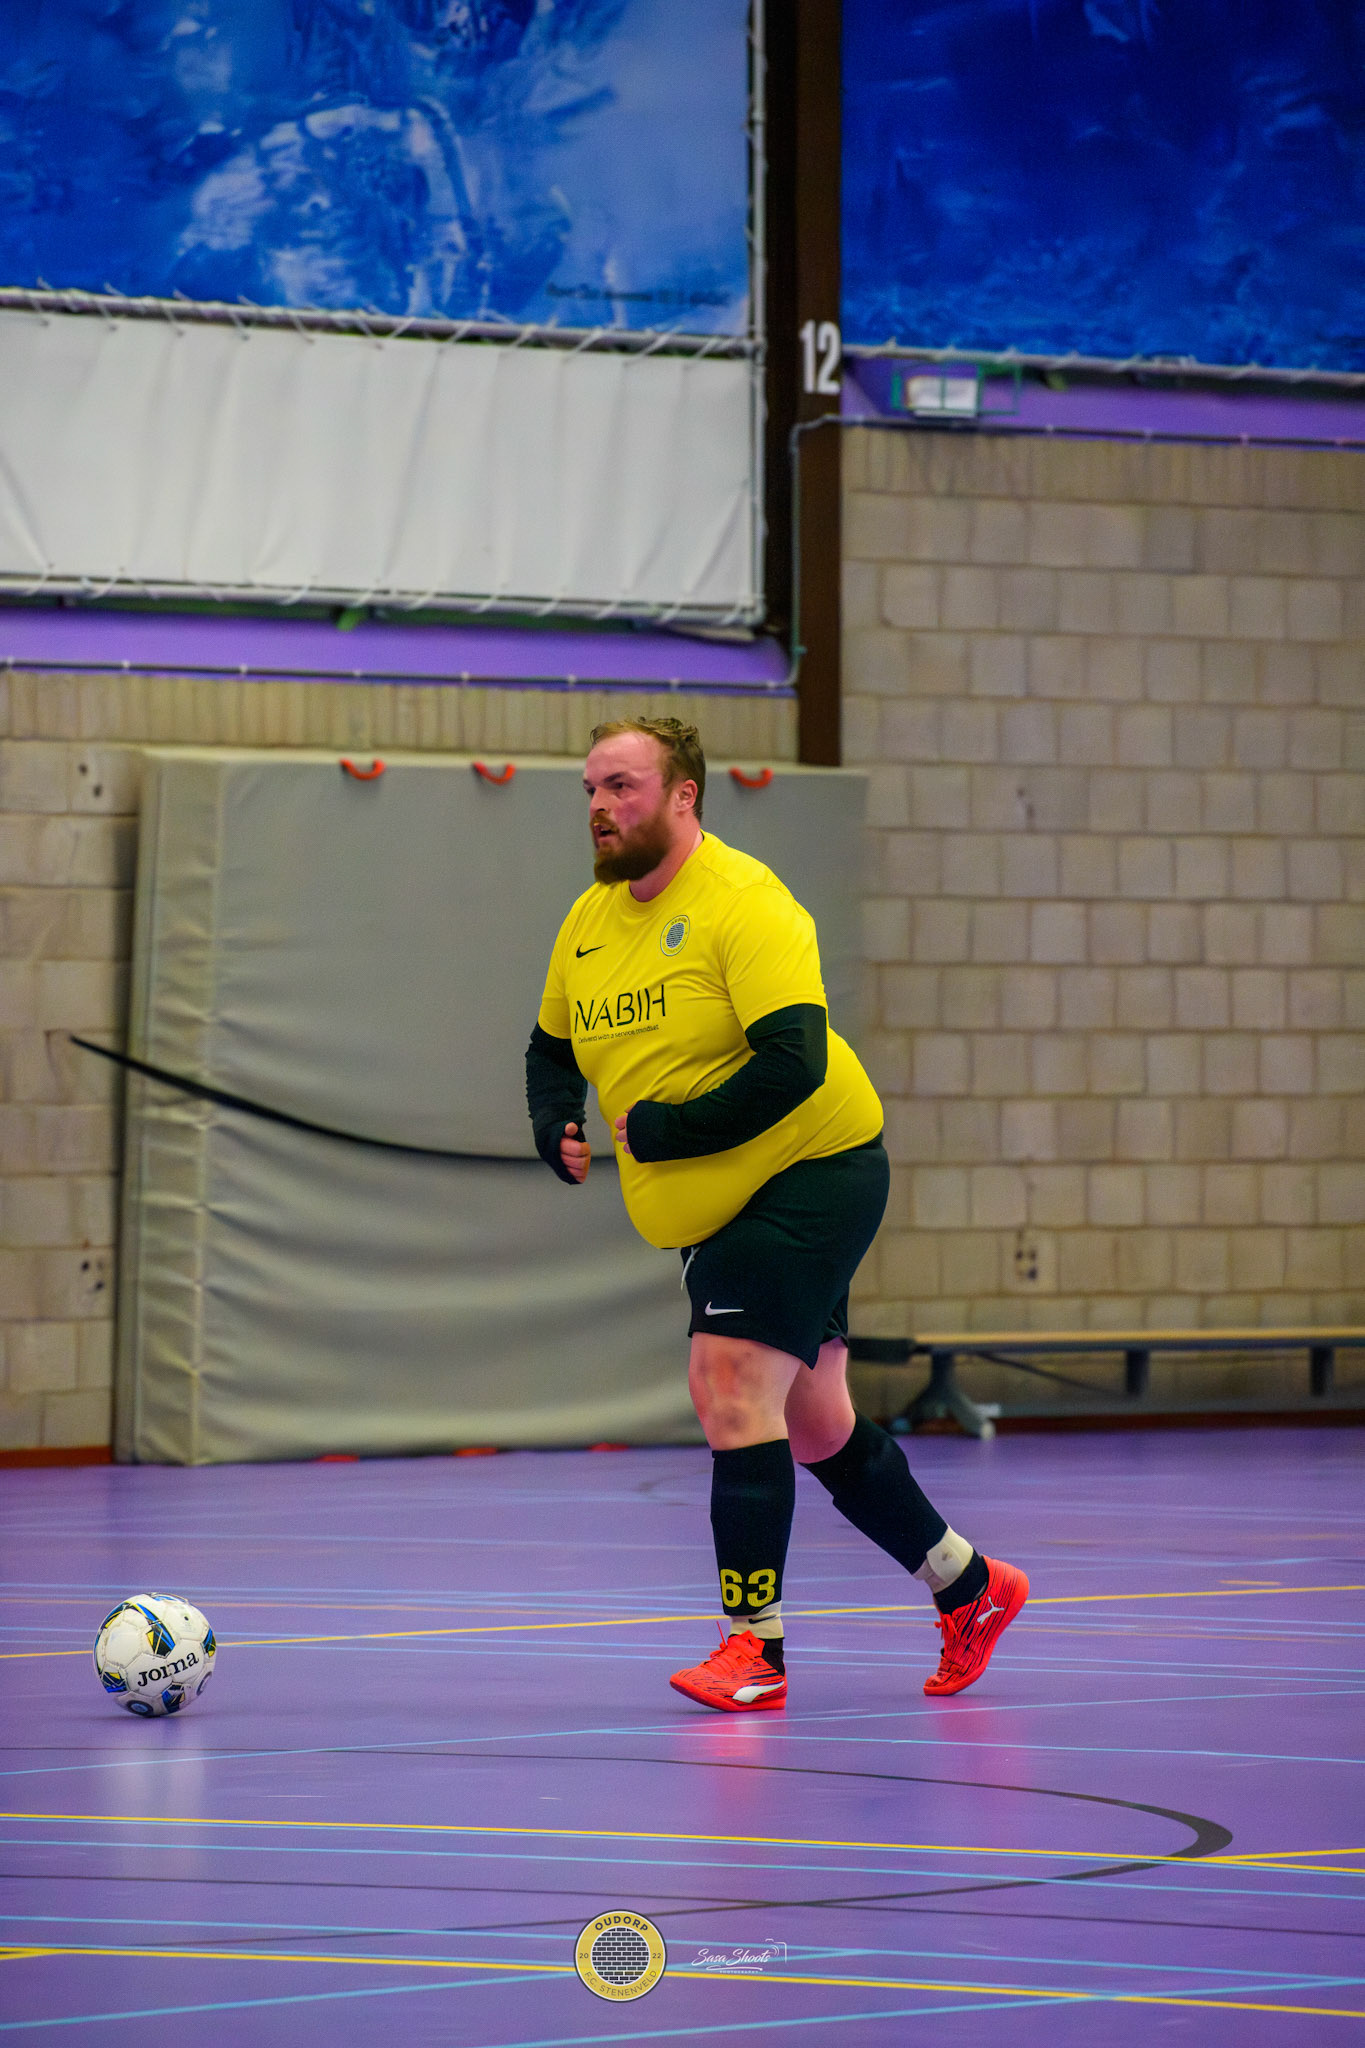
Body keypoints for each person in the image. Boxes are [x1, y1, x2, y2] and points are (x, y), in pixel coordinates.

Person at [525, 717, 1027, 1712]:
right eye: (590, 788)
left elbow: (794, 1062)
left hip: (810, 1171)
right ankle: (968, 1585)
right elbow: (550, 1048)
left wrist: (667, 1130)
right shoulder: (589, 920)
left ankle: (752, 1649)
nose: (599, 806)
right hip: (718, 1209)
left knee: (726, 1383)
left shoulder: (746, 902)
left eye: (622, 786)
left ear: (683, 796)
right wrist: (555, 1121)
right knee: (813, 1422)